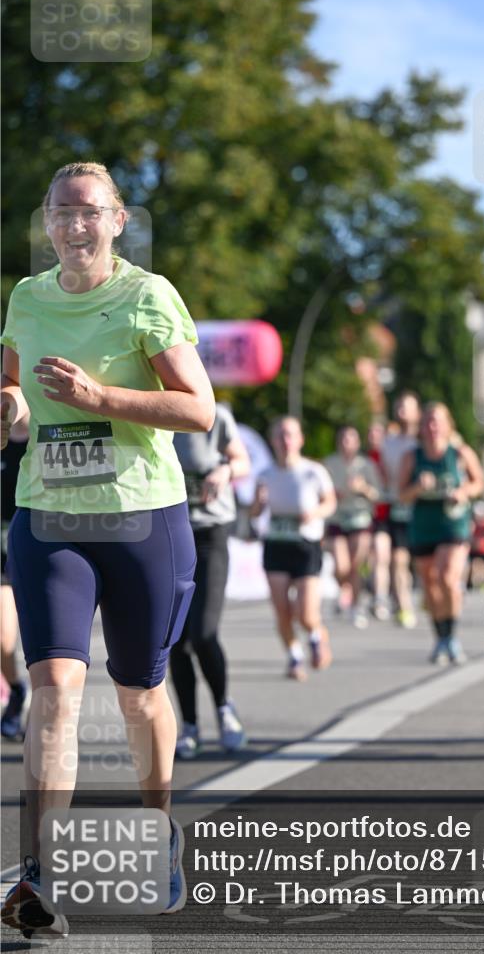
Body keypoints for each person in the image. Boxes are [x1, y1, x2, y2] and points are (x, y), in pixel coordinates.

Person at [0, 161, 215, 938]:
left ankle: (158, 833)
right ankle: (39, 878)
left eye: (90, 212)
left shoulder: (146, 295)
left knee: (137, 695)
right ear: (47, 223)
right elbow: (18, 391)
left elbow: (199, 411)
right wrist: (9, 405)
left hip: (138, 518)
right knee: (54, 688)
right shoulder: (26, 298)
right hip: (49, 517)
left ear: (117, 221)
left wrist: (103, 400)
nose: (74, 225)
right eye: (61, 212)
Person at [170, 403, 250, 760]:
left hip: (209, 534)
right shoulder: (148, 412)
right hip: (168, 534)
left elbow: (243, 461)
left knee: (203, 632)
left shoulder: (214, 414)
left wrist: (226, 470)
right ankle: (189, 725)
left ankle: (223, 707)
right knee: (175, 639)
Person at [398, 402, 484, 664]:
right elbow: (401, 496)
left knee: (447, 577)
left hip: (454, 523)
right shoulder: (412, 457)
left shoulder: (459, 453)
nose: (433, 427)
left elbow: (479, 482)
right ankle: (440, 637)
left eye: (438, 421)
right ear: (421, 428)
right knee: (430, 583)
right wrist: (417, 487)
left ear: (448, 425)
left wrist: (464, 492)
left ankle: (453, 637)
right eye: (428, 422)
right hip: (424, 524)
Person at [251, 416, 336, 681]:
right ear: (273, 441)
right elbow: (254, 513)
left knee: (306, 612)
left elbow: (330, 502)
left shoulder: (313, 471)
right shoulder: (265, 475)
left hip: (306, 545)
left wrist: (315, 513)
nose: (285, 441)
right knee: (282, 610)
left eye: (290, 435)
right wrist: (259, 502)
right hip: (276, 543)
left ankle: (316, 634)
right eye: (280, 435)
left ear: (300, 439)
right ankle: (294, 656)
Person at [324, 426, 381, 628]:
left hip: (360, 518)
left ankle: (356, 607)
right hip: (337, 518)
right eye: (344, 438)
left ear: (357, 443)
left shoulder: (367, 465)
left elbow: (378, 495)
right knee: (341, 566)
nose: (347, 443)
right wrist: (333, 495)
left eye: (352, 439)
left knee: (356, 566)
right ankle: (344, 590)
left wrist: (363, 488)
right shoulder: (330, 464)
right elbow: (321, 492)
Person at [1, 416, 29, 740]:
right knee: (4, 638)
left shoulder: (46, 436)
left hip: (44, 543)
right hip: (3, 555)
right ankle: (18, 691)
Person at [382, 391, 421, 627]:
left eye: (406, 407)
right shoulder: (389, 442)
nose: (401, 412)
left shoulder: (425, 440)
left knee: (422, 563)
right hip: (398, 506)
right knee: (398, 560)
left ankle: (426, 595)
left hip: (423, 508)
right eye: (398, 407)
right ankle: (405, 607)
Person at [365, 420, 392, 621]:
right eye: (371, 434)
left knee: (394, 560)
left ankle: (393, 596)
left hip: (392, 514)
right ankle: (379, 597)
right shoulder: (365, 460)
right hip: (371, 515)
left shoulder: (391, 458)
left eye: (377, 433)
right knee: (377, 557)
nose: (374, 438)